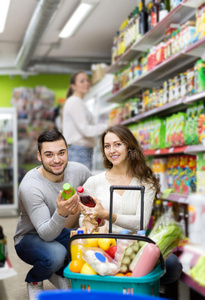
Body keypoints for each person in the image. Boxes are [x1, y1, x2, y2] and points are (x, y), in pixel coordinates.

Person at [79, 125, 182, 298]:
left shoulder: (145, 183)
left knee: (173, 265)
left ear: (129, 146)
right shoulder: (93, 182)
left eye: (117, 144)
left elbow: (140, 222)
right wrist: (93, 221)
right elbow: (83, 221)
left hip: (134, 247)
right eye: (107, 146)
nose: (112, 150)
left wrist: (106, 214)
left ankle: (146, 289)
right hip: (103, 246)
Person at [14, 130, 91, 300]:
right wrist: (61, 213)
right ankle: (35, 279)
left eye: (61, 153)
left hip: (60, 231)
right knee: (56, 254)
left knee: (87, 245)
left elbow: (96, 187)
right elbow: (46, 234)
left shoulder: (79, 170)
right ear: (39, 156)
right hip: (30, 237)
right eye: (49, 155)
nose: (57, 160)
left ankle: (60, 273)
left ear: (67, 152)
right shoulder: (31, 186)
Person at [62, 71, 108, 170]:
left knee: (79, 183)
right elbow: (86, 130)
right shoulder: (75, 101)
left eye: (87, 80)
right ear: (73, 86)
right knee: (81, 183)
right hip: (79, 151)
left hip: (80, 150)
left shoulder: (79, 102)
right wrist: (108, 126)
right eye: (82, 81)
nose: (86, 83)